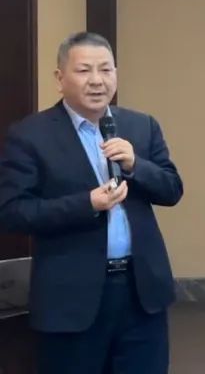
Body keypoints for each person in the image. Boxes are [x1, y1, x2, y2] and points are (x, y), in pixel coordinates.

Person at [0, 32, 183, 374]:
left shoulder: (140, 126)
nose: (97, 80)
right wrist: (86, 204)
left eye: (105, 69)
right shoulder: (30, 135)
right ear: (60, 79)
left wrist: (136, 165)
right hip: (71, 298)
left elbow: (172, 189)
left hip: (141, 293)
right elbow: (12, 212)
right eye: (84, 70)